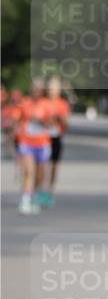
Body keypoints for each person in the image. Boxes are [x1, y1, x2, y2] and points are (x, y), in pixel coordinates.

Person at [15, 79, 53, 215]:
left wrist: (40, 121)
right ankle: (25, 200)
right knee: (29, 171)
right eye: (34, 88)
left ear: (42, 91)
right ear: (30, 89)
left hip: (42, 144)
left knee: (39, 175)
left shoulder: (47, 105)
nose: (36, 91)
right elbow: (17, 122)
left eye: (39, 89)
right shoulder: (24, 103)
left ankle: (34, 197)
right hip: (26, 142)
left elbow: (51, 124)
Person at [34, 76, 70, 208]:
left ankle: (50, 191)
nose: (52, 90)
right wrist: (46, 120)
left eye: (55, 87)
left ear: (59, 89)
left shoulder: (62, 104)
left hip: (56, 138)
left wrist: (60, 119)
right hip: (42, 138)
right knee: (41, 167)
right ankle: (38, 192)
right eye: (50, 87)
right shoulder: (42, 102)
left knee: (54, 167)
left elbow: (67, 125)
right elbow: (35, 119)